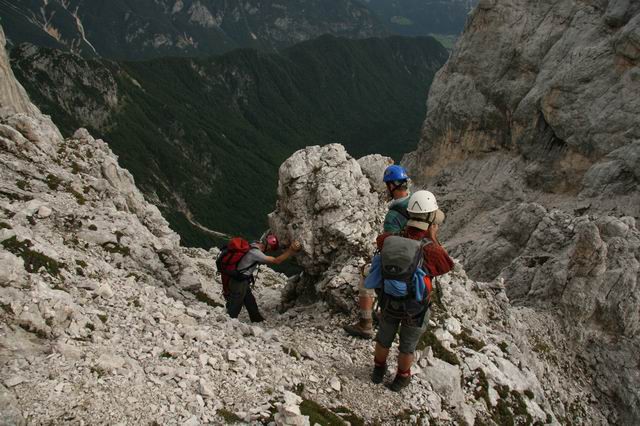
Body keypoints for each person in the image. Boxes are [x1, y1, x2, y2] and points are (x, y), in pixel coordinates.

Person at [371, 190, 453, 391]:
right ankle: (402, 377)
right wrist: (432, 238)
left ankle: (378, 371)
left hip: (389, 300)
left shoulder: (389, 238)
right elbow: (447, 265)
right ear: (430, 218)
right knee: (407, 347)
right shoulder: (430, 249)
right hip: (415, 308)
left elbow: (379, 241)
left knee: (384, 339)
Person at [343, 164, 411, 339]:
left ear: (391, 186)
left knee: (366, 275)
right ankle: (384, 313)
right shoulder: (416, 204)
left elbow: (390, 245)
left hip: (401, 260)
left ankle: (365, 324)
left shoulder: (393, 215)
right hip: (418, 257)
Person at [226, 234, 301, 322]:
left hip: (242, 280)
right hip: (239, 281)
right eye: (270, 248)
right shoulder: (256, 253)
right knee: (236, 303)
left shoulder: (254, 245)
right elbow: (276, 261)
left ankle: (257, 320)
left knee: (250, 301)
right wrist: (291, 250)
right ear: (268, 245)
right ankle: (229, 322)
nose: (269, 251)